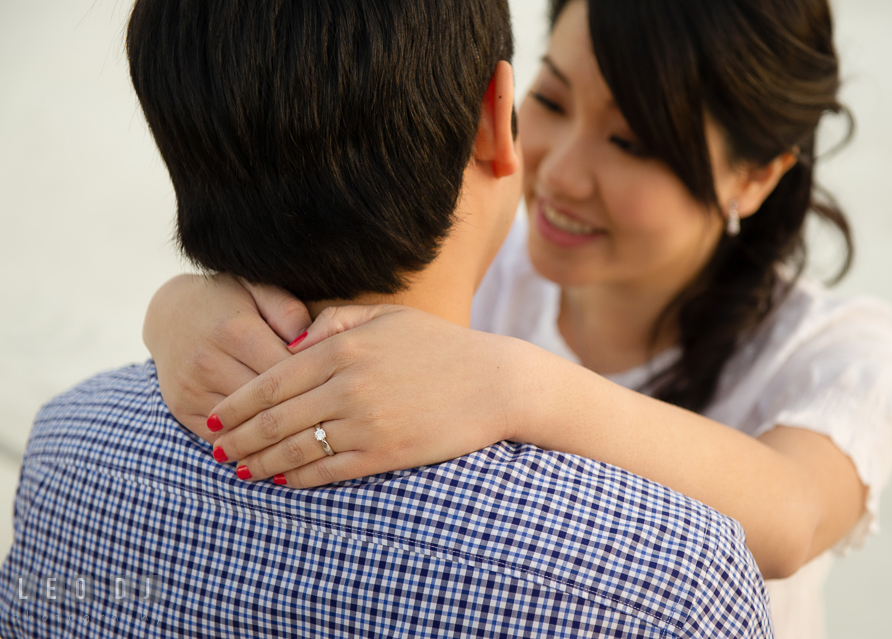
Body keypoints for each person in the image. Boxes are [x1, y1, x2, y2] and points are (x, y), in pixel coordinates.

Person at [142, 0, 892, 637]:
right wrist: (179, 307)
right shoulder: (485, 257)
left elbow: (793, 513)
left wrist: (515, 386)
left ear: (755, 177)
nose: (561, 169)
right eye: (548, 100)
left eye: (631, 141)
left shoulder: (837, 350)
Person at [0, 0, 773, 637]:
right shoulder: (664, 578)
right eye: (549, 99)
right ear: (495, 116)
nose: (565, 174)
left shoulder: (65, 451)